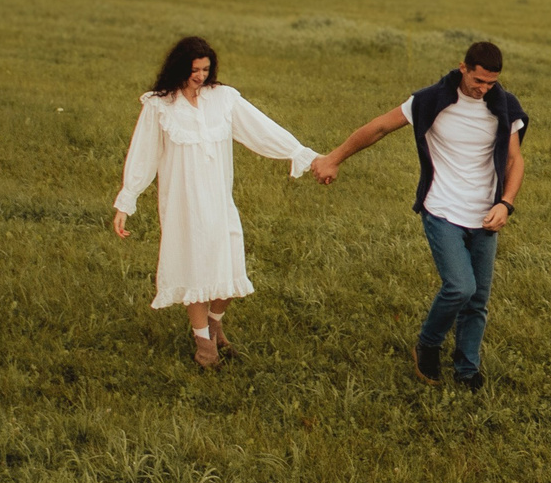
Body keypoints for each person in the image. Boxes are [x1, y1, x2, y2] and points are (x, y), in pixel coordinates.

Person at [312, 41, 529, 389]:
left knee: (477, 300)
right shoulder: (431, 99)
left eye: (491, 83)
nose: (483, 89)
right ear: (463, 68)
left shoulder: (504, 105)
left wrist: (506, 203)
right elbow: (380, 127)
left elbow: (514, 159)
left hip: (486, 214)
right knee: (460, 287)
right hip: (441, 209)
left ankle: (467, 368)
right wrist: (333, 159)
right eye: (478, 80)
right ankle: (428, 344)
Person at [113, 35, 320, 369]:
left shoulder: (223, 98)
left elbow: (261, 129)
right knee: (194, 267)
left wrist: (301, 154)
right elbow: (143, 153)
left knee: (228, 264)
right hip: (183, 203)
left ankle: (214, 325)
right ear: (179, 68)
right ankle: (204, 347)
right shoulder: (159, 105)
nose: (200, 76)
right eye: (194, 70)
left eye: (206, 69)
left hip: (218, 199)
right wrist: (127, 200)